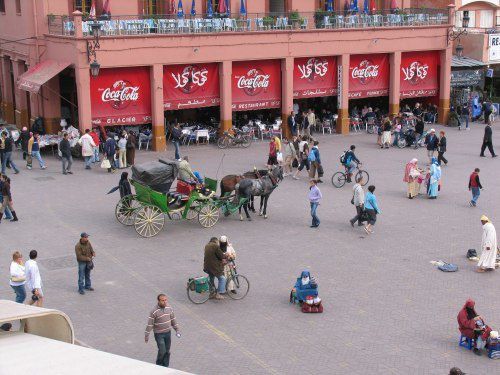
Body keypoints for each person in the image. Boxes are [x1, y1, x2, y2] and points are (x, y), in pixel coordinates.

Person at [145, 294, 180, 368]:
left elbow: (173, 319)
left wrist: (177, 330)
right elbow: (150, 324)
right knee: (162, 350)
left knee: (167, 351)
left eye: (165, 300)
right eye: (162, 300)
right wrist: (147, 335)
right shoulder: (154, 311)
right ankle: (159, 365)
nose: (165, 302)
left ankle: (165, 366)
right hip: (159, 334)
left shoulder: (169, 308)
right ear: (158, 301)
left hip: (168, 333)